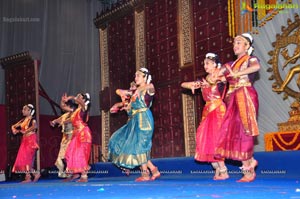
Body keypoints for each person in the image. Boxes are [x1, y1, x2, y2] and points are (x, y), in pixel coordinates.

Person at [215, 33, 260, 182]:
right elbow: (219, 74)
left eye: (239, 43)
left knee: (244, 131)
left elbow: (256, 67)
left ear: (247, 46)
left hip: (245, 95)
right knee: (234, 131)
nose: (235, 45)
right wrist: (218, 76)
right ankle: (249, 162)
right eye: (234, 43)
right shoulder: (231, 64)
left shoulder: (250, 59)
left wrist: (237, 73)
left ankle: (248, 171)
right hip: (233, 98)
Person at [181, 53, 228, 180]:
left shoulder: (220, 75)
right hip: (208, 111)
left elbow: (225, 79)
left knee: (216, 139)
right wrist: (193, 85)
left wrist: (216, 79)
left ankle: (224, 170)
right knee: (205, 138)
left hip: (218, 110)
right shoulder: (205, 79)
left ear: (215, 64)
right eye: (204, 63)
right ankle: (217, 168)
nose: (205, 65)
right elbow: (183, 84)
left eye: (207, 63)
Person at [108, 68, 160, 182]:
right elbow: (118, 92)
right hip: (135, 120)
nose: (135, 78)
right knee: (130, 143)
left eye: (138, 76)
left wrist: (134, 91)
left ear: (145, 77)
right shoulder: (134, 93)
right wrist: (120, 103)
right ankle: (154, 170)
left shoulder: (148, 88)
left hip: (144, 119)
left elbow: (151, 87)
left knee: (139, 146)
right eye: (135, 76)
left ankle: (145, 174)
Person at [63, 93, 92, 182]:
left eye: (80, 97)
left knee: (81, 153)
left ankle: (84, 176)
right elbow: (63, 107)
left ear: (84, 100)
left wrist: (71, 97)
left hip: (83, 133)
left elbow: (80, 102)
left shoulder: (84, 107)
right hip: (76, 134)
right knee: (69, 152)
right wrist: (63, 101)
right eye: (77, 96)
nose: (77, 97)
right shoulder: (76, 110)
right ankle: (76, 173)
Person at [11, 104, 40, 183]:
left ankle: (29, 177)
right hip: (25, 140)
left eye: (25, 109)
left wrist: (25, 131)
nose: (23, 110)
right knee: (23, 159)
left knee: (27, 158)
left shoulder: (32, 119)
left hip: (31, 140)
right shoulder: (23, 120)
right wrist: (14, 129)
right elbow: (14, 126)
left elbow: (35, 126)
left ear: (30, 111)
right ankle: (32, 175)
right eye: (23, 109)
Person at [50, 98, 77, 178]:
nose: (64, 107)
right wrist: (54, 122)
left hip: (72, 136)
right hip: (65, 137)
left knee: (69, 154)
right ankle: (64, 172)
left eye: (65, 105)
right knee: (62, 156)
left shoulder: (75, 113)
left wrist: (63, 122)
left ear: (70, 106)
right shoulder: (65, 115)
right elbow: (59, 120)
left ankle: (71, 172)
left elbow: (71, 120)